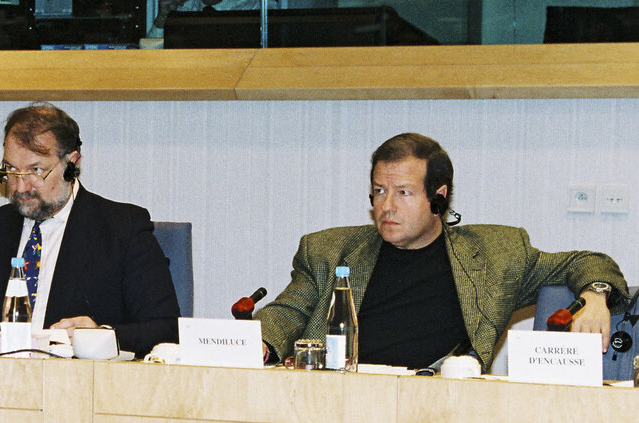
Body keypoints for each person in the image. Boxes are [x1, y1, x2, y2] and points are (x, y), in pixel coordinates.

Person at [256, 133, 629, 371]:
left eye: (403, 192)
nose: (386, 207)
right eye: (379, 191)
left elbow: (587, 261)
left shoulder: (498, 255)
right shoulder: (327, 250)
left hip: (439, 406)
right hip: (341, 400)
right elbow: (288, 312)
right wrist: (260, 345)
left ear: (439, 196)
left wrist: (595, 295)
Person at [0, 102, 180, 357]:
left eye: (36, 170)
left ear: (72, 163)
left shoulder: (122, 229)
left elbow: (166, 329)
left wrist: (101, 335)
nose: (21, 187)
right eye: (12, 170)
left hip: (79, 387)